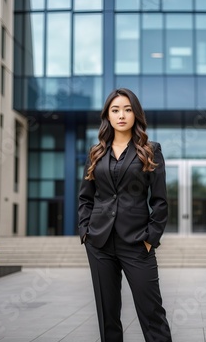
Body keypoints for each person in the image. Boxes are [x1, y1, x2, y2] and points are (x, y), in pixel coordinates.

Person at [78, 88, 172, 342]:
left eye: (128, 109)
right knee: (108, 316)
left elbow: (160, 200)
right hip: (99, 243)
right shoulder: (96, 153)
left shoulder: (150, 150)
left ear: (136, 114)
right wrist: (85, 231)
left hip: (137, 242)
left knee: (152, 312)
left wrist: (151, 237)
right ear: (107, 116)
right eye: (115, 110)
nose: (121, 115)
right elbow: (85, 197)